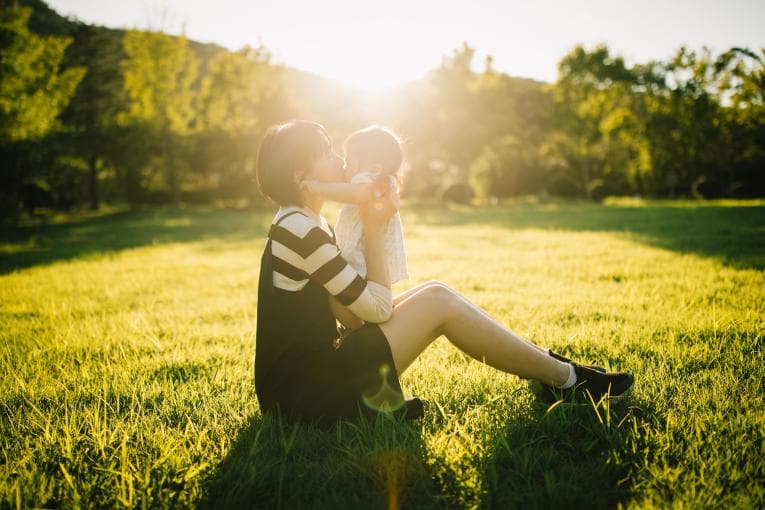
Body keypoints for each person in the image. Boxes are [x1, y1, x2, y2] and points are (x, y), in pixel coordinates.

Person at [254, 120, 634, 426]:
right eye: (327, 152)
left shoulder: (306, 223)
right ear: (300, 174)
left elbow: (351, 316)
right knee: (438, 301)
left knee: (436, 291)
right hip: (302, 397)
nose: (339, 159)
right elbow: (376, 312)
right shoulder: (300, 230)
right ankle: (566, 379)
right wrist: (373, 226)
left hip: (302, 388)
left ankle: (557, 372)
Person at [300, 125, 408, 333]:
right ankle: (358, 328)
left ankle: (357, 332)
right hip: (365, 257)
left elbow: (357, 193)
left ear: (374, 167)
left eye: (349, 162)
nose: (344, 167)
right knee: (347, 299)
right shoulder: (381, 183)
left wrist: (318, 188)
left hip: (360, 257)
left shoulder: (370, 181)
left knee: (335, 298)